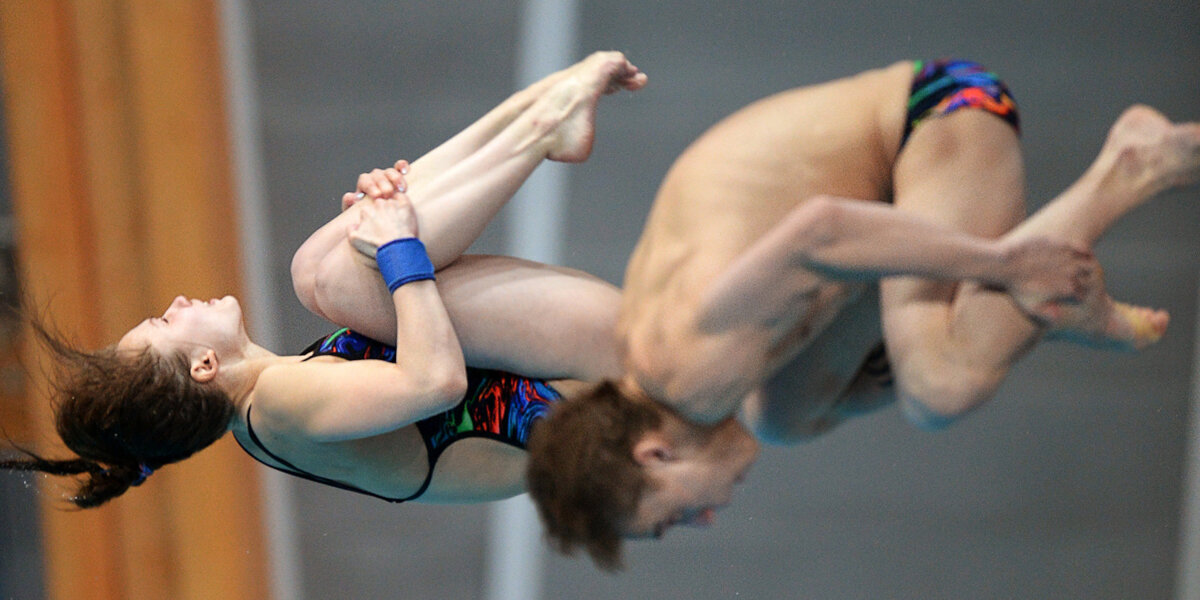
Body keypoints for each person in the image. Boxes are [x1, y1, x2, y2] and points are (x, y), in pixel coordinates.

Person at [521, 58, 1200, 569]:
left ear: (655, 453)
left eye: (673, 519)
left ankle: (1132, 169)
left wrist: (1006, 267)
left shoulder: (687, 369)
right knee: (782, 417)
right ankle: (1033, 310)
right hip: (894, 175)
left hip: (936, 116)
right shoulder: (675, 374)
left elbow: (821, 230)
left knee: (941, 385)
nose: (708, 516)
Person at [0, 51, 646, 507]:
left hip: (568, 381)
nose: (173, 302)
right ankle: (538, 123)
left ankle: (538, 112)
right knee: (344, 281)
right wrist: (395, 249)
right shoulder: (278, 405)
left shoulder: (267, 411)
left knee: (323, 273)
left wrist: (386, 228)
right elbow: (436, 380)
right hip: (594, 389)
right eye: (165, 322)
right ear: (202, 366)